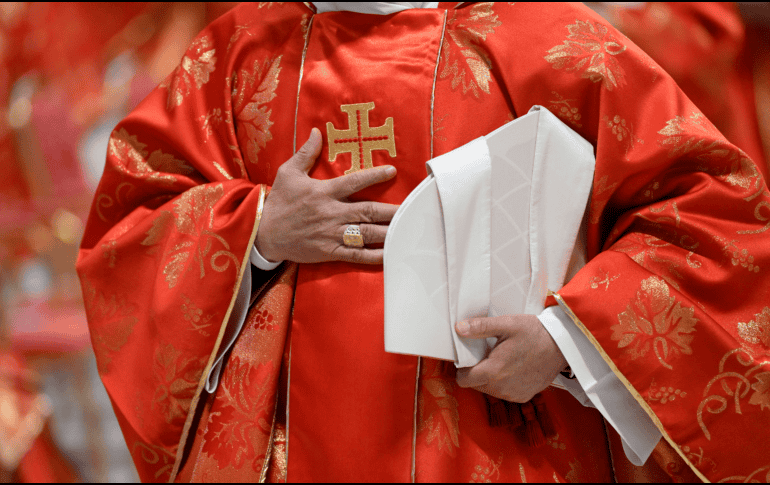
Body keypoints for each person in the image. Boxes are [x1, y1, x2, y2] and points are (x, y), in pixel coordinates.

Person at [76, 2, 770, 482]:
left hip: (497, 439)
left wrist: (565, 338)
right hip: (291, 451)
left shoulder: (553, 42)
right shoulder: (238, 55)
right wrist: (256, 227)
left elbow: (714, 218)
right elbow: (132, 223)